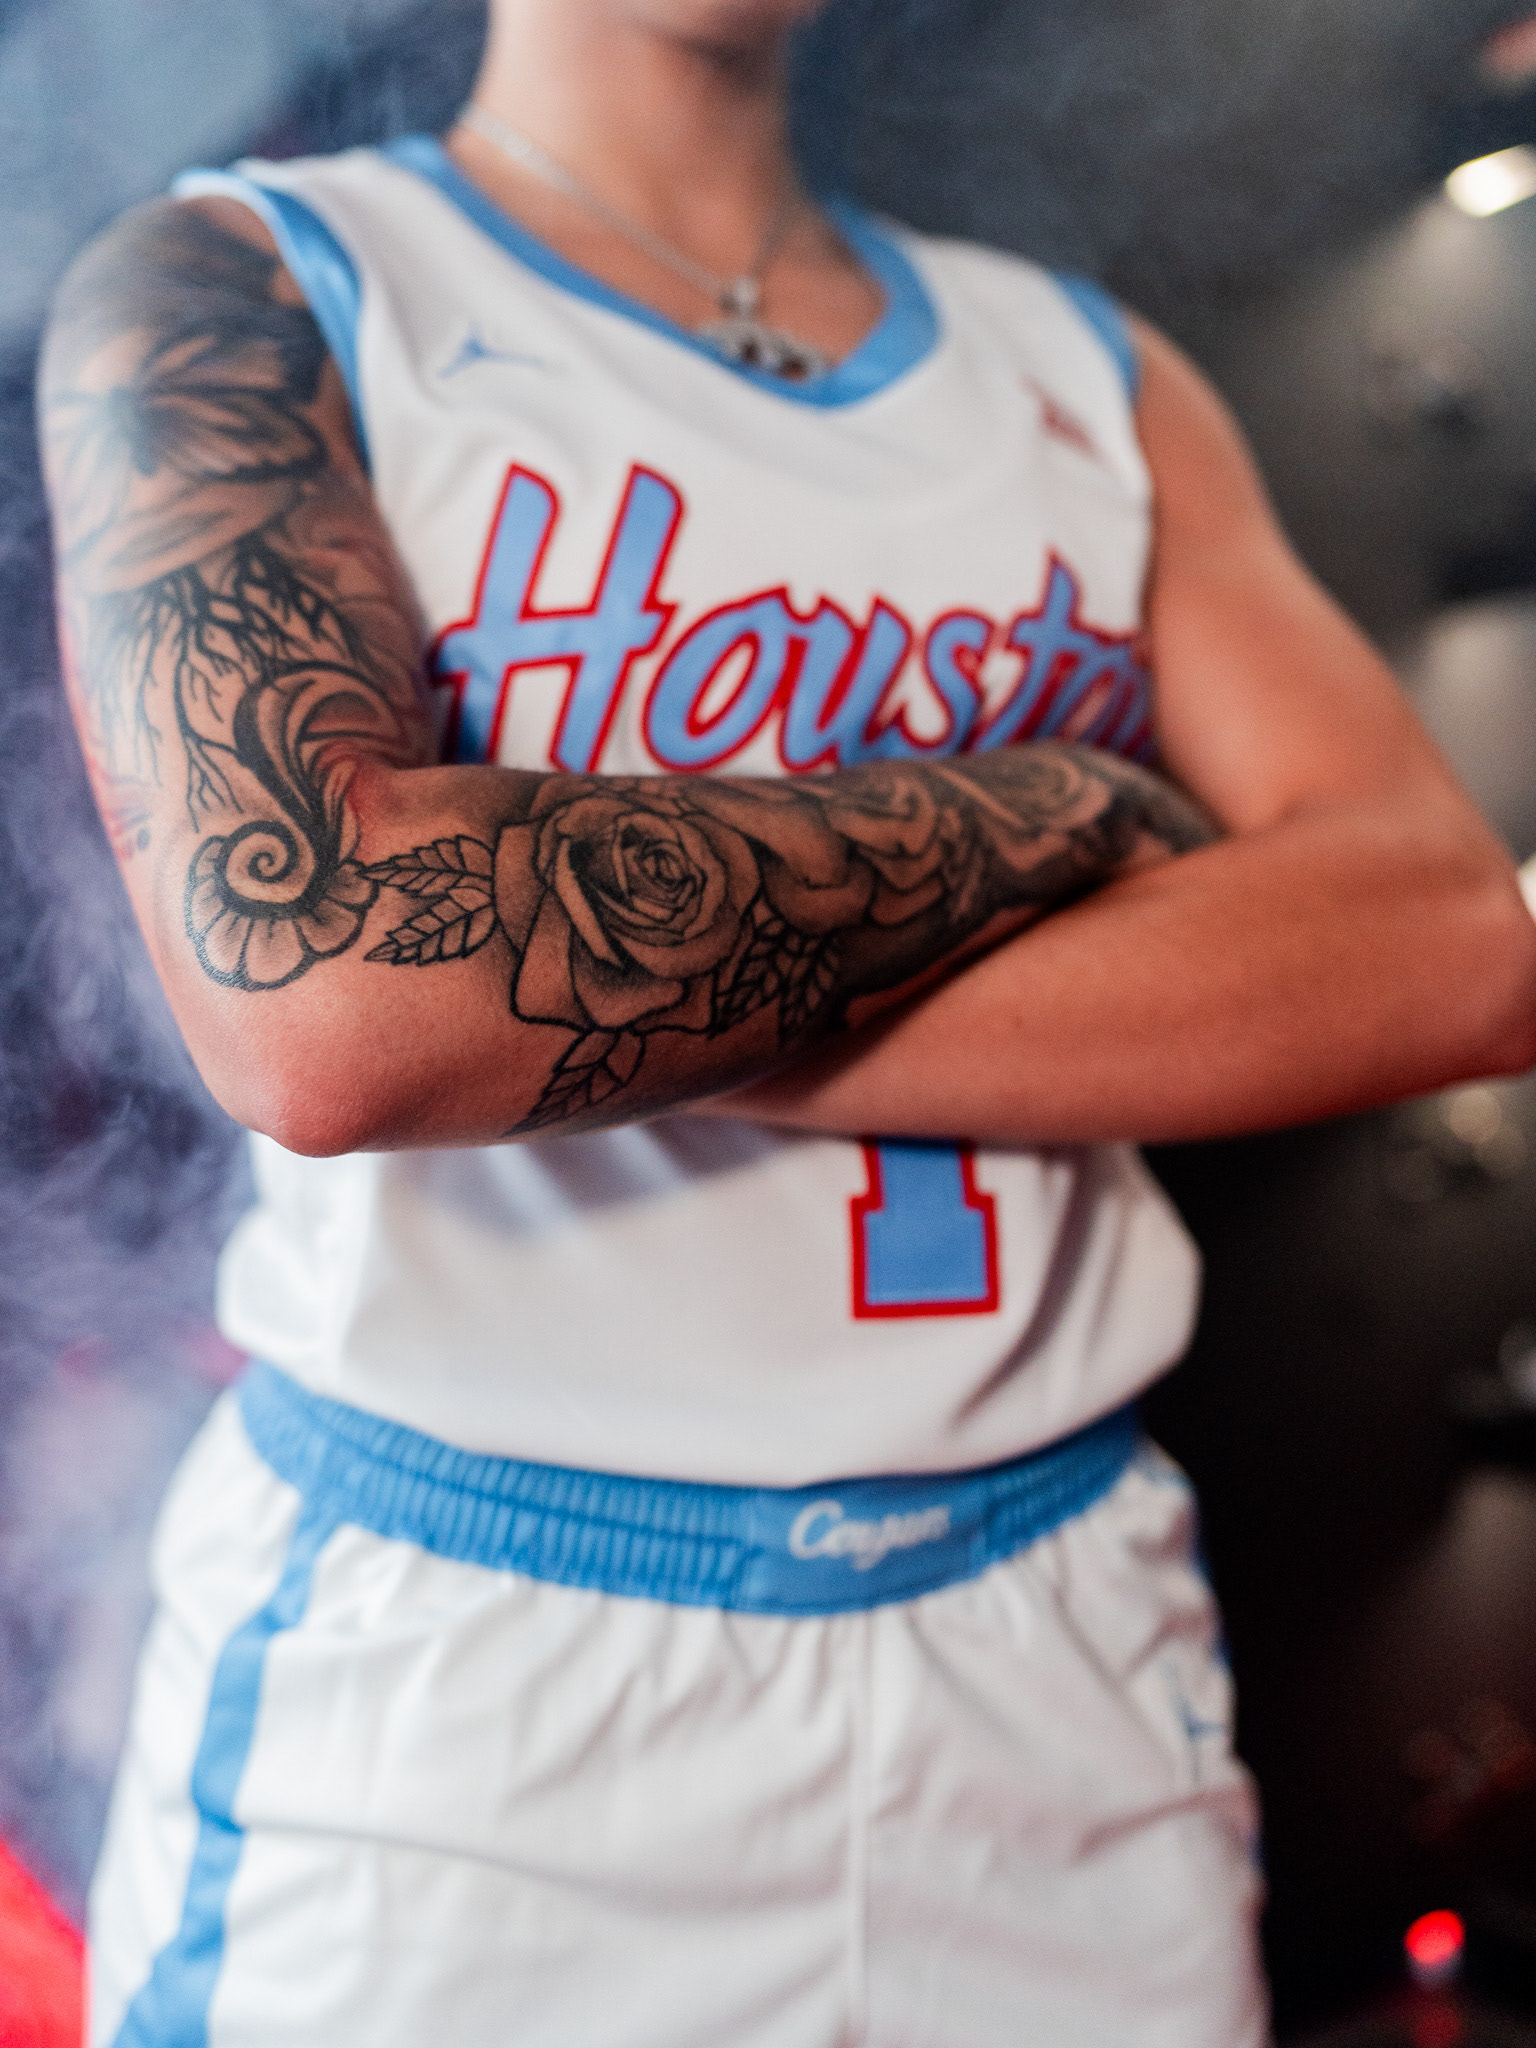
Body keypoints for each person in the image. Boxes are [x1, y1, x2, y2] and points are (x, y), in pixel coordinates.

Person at [38, 1, 1536, 2042]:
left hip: (1060, 1649)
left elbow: (1447, 942)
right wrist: (1075, 805)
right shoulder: (248, 284)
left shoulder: (1087, 370)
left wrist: (560, 997)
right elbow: (333, 997)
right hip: (462, 1697)